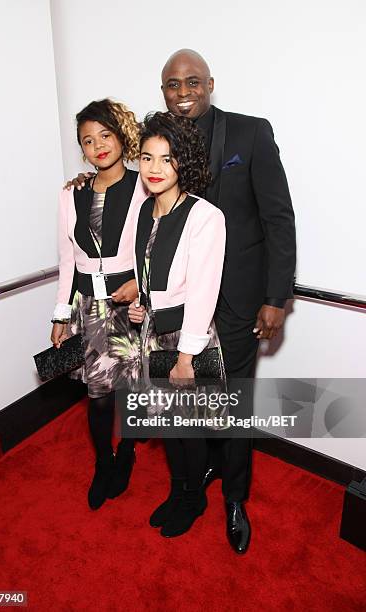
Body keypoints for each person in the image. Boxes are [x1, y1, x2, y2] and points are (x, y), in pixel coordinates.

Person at [159, 49, 297, 553]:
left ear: (210, 83)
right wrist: (88, 183)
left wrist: (277, 296)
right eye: (173, 84)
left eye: (192, 81)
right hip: (178, 300)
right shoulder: (160, 141)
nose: (183, 92)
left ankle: (235, 497)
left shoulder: (250, 132)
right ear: (163, 91)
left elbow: (279, 217)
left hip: (239, 298)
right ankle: (195, 482)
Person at [128, 112, 226, 538]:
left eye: (166, 160)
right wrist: (143, 307)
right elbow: (147, 273)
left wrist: (186, 358)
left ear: (183, 162)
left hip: (188, 338)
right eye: (147, 158)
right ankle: (178, 490)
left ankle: (194, 499)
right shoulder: (144, 210)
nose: (153, 169)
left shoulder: (205, 216)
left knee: (189, 427)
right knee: (169, 425)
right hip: (153, 333)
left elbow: (203, 292)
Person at [51, 99, 147, 511]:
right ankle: (103, 461)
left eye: (105, 135)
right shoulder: (72, 192)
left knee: (129, 389)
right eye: (88, 141)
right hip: (88, 307)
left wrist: (140, 287)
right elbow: (66, 259)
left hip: (130, 307)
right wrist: (59, 315)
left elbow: (157, 246)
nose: (98, 146)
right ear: (82, 150)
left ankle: (126, 450)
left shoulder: (145, 184)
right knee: (98, 395)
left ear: (120, 137)